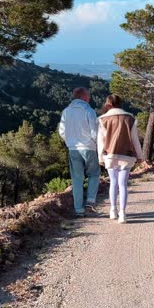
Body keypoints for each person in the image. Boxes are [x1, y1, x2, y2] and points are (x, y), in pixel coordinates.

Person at [97, 94, 144, 223]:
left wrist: (100, 157)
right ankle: (123, 214)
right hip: (127, 156)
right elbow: (135, 139)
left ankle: (113, 210)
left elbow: (101, 141)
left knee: (113, 183)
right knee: (123, 184)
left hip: (109, 155)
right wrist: (140, 156)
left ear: (108, 104)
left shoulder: (102, 119)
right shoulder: (130, 118)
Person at [58, 87, 100, 217]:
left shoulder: (66, 111)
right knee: (94, 173)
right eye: (88, 97)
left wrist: (70, 142)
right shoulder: (89, 110)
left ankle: (78, 209)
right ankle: (90, 202)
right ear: (84, 97)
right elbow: (94, 131)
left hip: (73, 149)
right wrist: (96, 144)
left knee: (77, 179)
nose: (89, 99)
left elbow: (62, 131)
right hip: (88, 147)